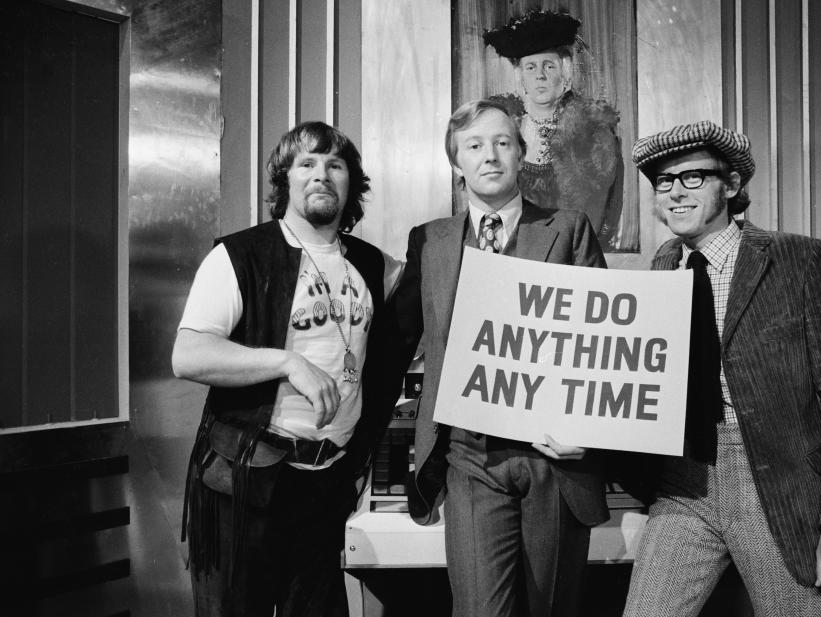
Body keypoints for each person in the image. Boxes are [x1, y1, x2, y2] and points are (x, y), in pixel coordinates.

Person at [620, 120, 821, 616]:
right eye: (663, 182)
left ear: (732, 185)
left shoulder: (797, 258)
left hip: (773, 484)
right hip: (683, 482)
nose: (674, 192)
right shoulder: (664, 264)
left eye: (691, 177)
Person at [171, 121, 400, 617]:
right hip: (245, 482)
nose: (322, 175)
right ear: (285, 180)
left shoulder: (374, 265)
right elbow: (188, 356)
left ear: (351, 183)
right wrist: (288, 363)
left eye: (335, 165)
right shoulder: (239, 254)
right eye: (307, 164)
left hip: (326, 483)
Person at [390, 99, 608, 617]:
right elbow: (394, 345)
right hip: (470, 456)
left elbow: (604, 349)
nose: (489, 156)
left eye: (502, 143)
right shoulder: (432, 241)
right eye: (474, 146)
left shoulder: (569, 229)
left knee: (551, 607)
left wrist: (591, 436)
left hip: (551, 459)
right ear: (456, 162)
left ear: (521, 155)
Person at [483, 9, 623, 249]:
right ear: (521, 77)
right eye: (530, 68)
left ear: (565, 72)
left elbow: (603, 213)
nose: (539, 76)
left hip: (571, 255)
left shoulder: (594, 133)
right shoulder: (502, 130)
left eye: (548, 66)